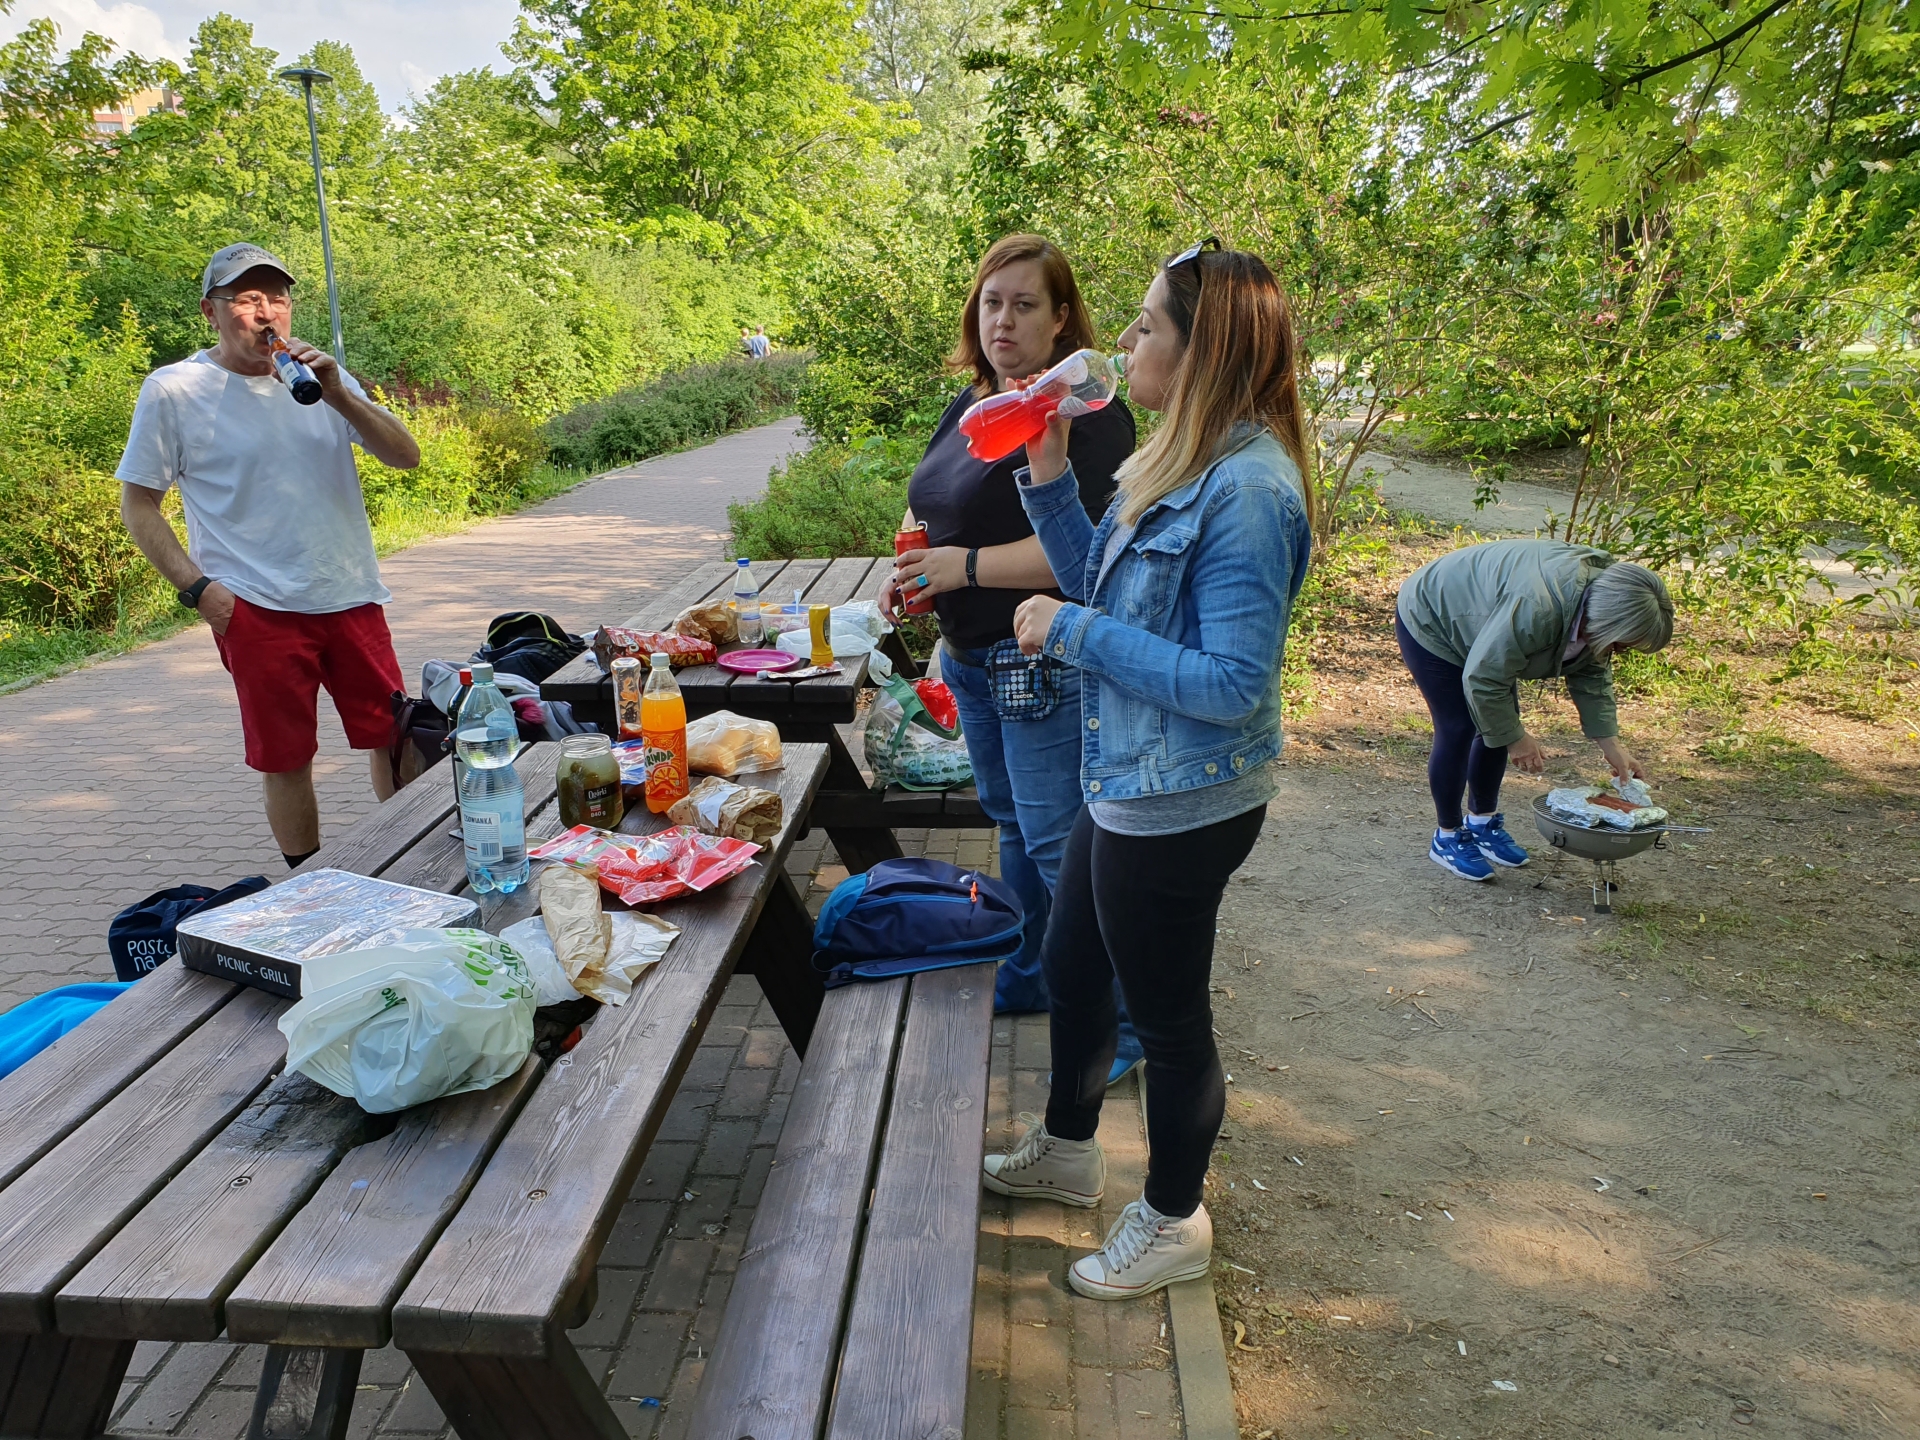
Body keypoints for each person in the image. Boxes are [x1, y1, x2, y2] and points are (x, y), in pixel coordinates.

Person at [979, 241, 1315, 1300]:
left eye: (1147, 325)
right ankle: (1070, 1150)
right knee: (1073, 964)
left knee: (1168, 1022)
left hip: (1184, 799)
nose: (1125, 342)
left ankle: (1174, 1221)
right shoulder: (1181, 457)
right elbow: (1101, 583)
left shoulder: (1248, 489)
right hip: (1125, 778)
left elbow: (1230, 684)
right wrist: (1046, 470)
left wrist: (1070, 634)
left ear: (1202, 348)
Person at [878, 233, 1145, 1082]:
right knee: (1011, 826)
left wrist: (962, 568)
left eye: (1025, 305)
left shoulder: (1084, 414)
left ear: (1062, 319)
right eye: (992, 303)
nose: (1004, 321)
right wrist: (912, 573)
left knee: (1062, 844)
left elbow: (1089, 554)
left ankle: (1129, 1026)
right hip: (968, 657)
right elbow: (933, 503)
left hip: (1039, 662)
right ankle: (1030, 973)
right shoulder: (976, 401)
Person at [117, 242, 422, 868]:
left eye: (277, 298)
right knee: (286, 759)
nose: (266, 313)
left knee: (394, 737)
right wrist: (199, 590)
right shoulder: (175, 389)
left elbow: (405, 455)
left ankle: (412, 863)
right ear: (211, 311)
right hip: (255, 607)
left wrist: (341, 394)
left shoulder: (321, 378)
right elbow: (138, 504)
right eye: (247, 299)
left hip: (349, 593)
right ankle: (308, 884)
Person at [1395, 539, 1675, 881]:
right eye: (1621, 643)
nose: (1620, 651)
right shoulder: (1538, 607)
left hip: (1488, 621)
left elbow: (1592, 678)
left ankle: (1481, 823)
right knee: (1461, 726)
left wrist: (1611, 745)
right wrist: (1516, 740)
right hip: (1435, 612)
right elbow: (1484, 677)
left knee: (1499, 719)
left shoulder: (1601, 604)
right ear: (1607, 622)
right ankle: (1448, 836)